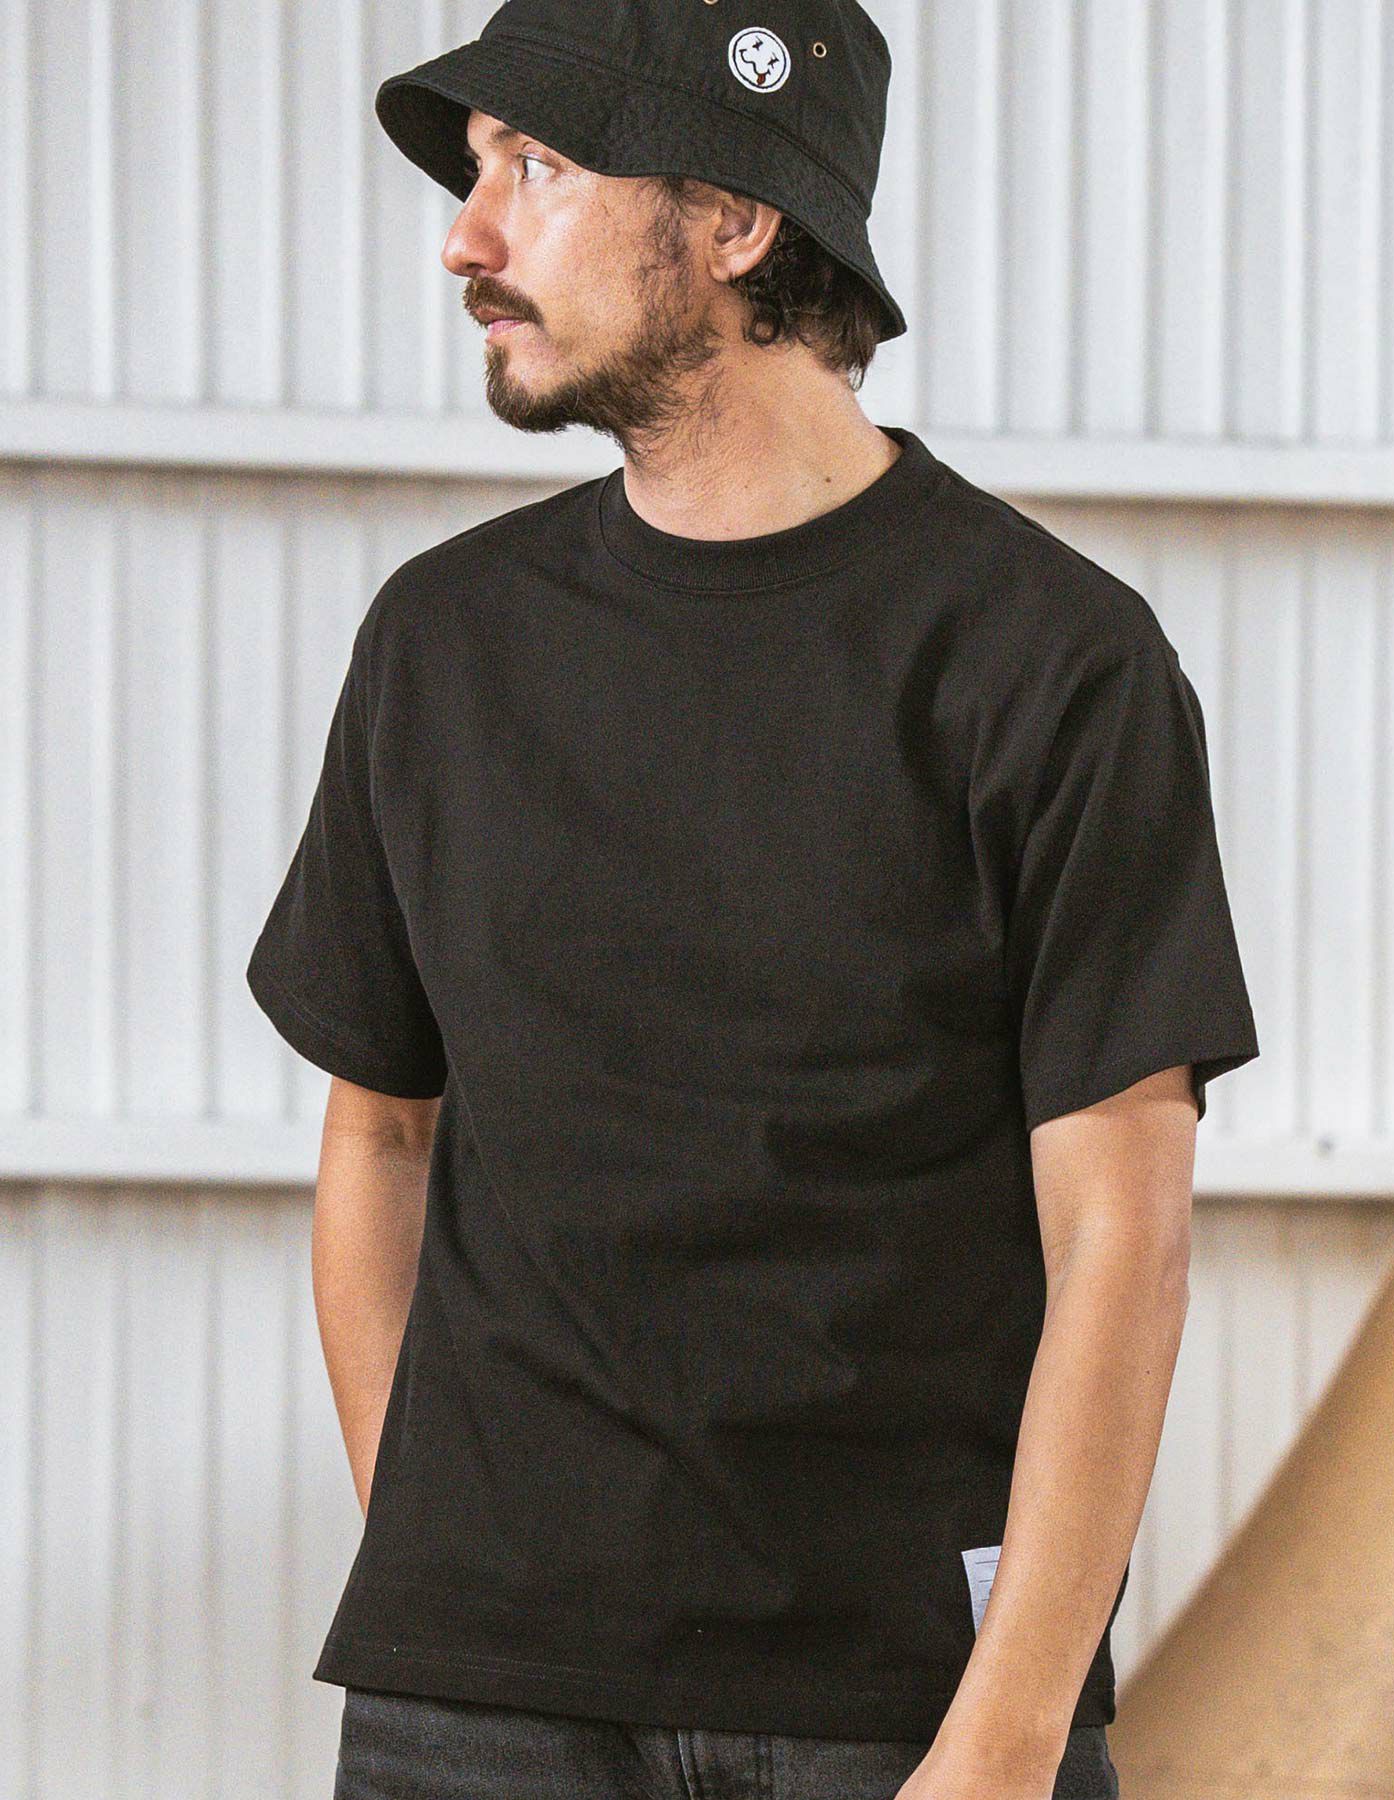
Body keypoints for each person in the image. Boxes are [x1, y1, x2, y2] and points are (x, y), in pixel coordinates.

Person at [245, 3, 1260, 1796]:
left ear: (733, 220)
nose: (467, 238)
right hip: (479, 1702)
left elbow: (1124, 1230)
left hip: (896, 1708)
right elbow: (378, 1134)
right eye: (475, 171)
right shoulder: (442, 643)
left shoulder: (1050, 663)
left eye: (538, 167)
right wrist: (447, 1556)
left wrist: (1007, 1736)